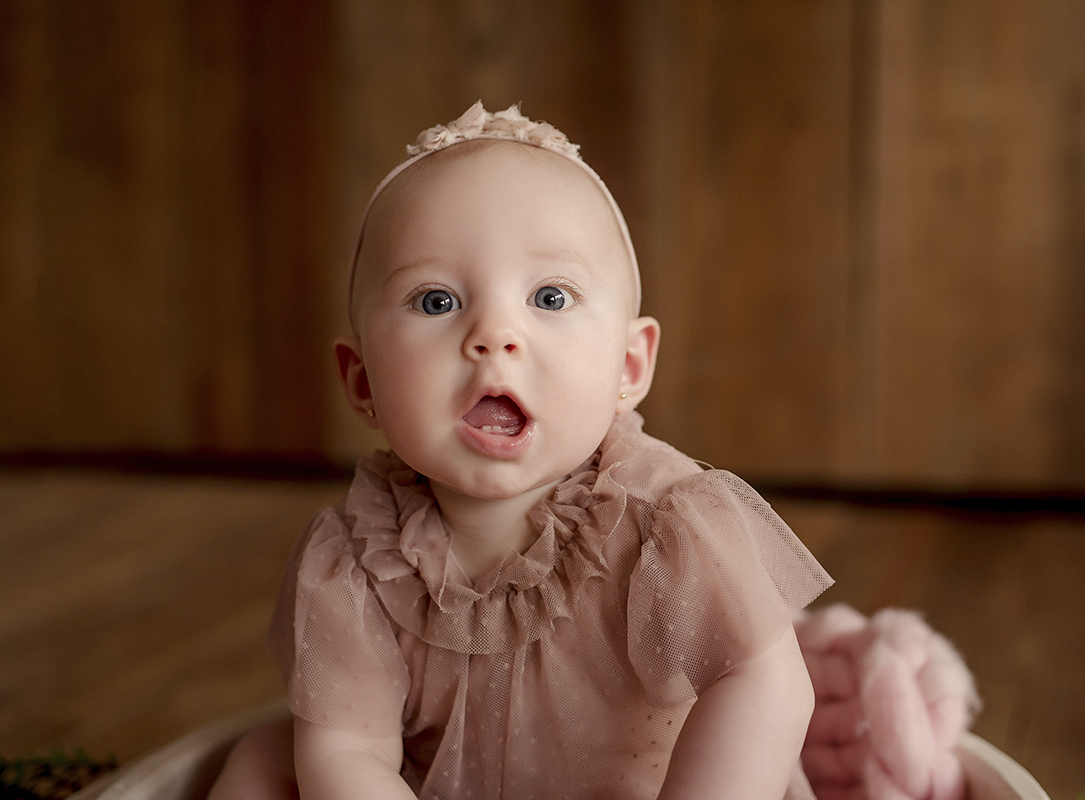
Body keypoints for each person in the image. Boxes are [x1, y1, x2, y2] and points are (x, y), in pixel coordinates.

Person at [209, 102, 833, 800]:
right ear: (364, 384)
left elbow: (763, 685)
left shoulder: (667, 520)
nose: (494, 333)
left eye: (550, 296)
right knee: (264, 764)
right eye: (437, 302)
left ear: (628, 367)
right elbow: (349, 752)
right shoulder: (354, 559)